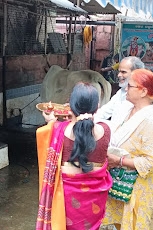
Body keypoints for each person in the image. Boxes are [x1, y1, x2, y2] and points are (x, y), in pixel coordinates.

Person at [36, 83, 113, 230]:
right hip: (94, 201)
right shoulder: (105, 129)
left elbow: (50, 130)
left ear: (69, 106)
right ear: (97, 106)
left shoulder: (58, 129)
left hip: (65, 200)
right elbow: (84, 131)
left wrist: (51, 121)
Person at [102, 69, 153, 230]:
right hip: (119, 180)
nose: (125, 88)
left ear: (143, 91)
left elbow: (152, 161)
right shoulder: (128, 110)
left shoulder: (152, 121)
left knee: (131, 224)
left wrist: (120, 160)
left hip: (137, 186)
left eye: (130, 86)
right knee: (119, 222)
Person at [94, 56, 145, 128]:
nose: (119, 75)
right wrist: (88, 119)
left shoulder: (140, 97)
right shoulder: (121, 92)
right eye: (119, 71)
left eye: (123, 72)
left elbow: (122, 126)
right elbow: (105, 111)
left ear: (136, 73)